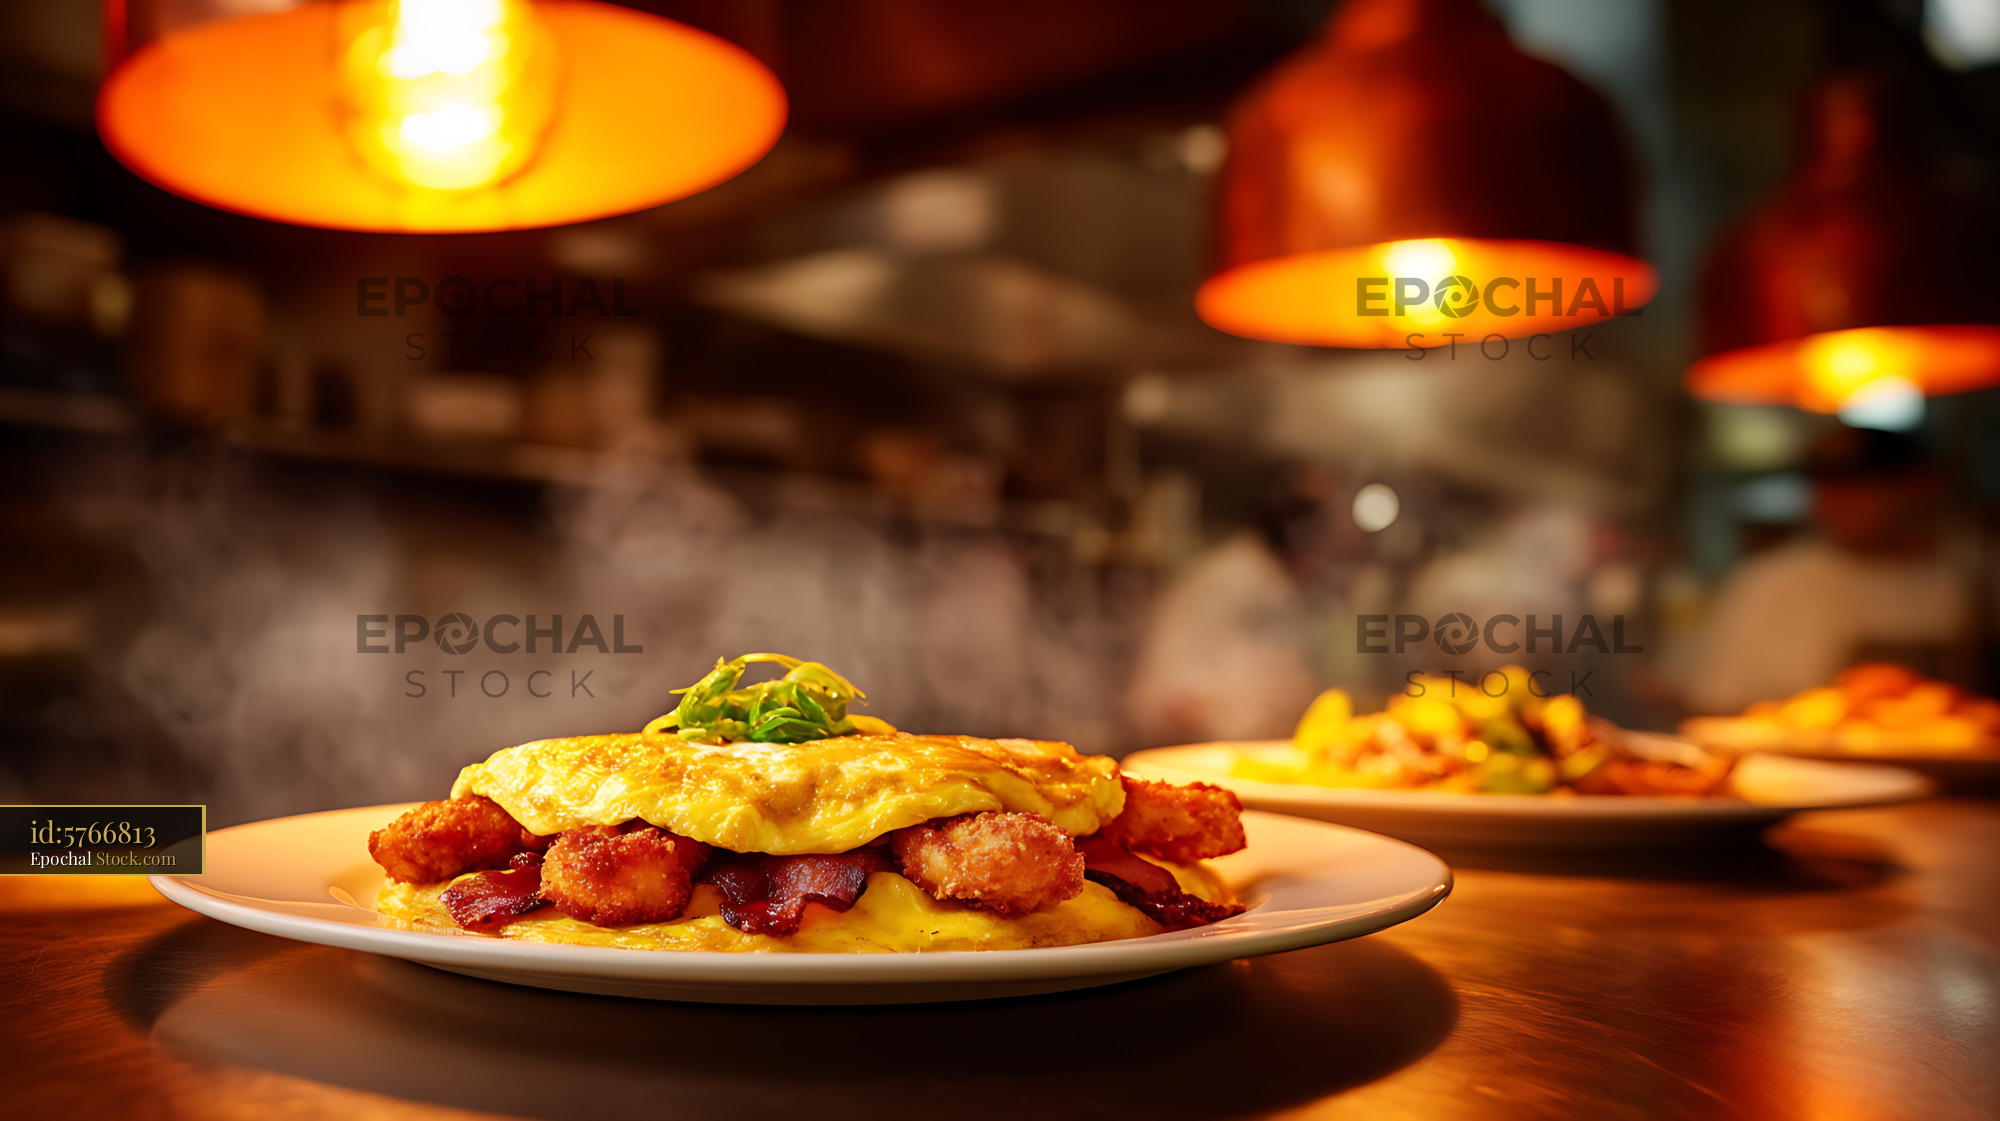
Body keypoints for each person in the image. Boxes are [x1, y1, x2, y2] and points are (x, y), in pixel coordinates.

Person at [1686, 427, 1975, 714]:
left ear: (1919, 485)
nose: (1834, 502)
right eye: (1823, 486)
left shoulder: (1975, 574)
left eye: (1858, 485)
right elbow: (1718, 706)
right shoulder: (1773, 581)